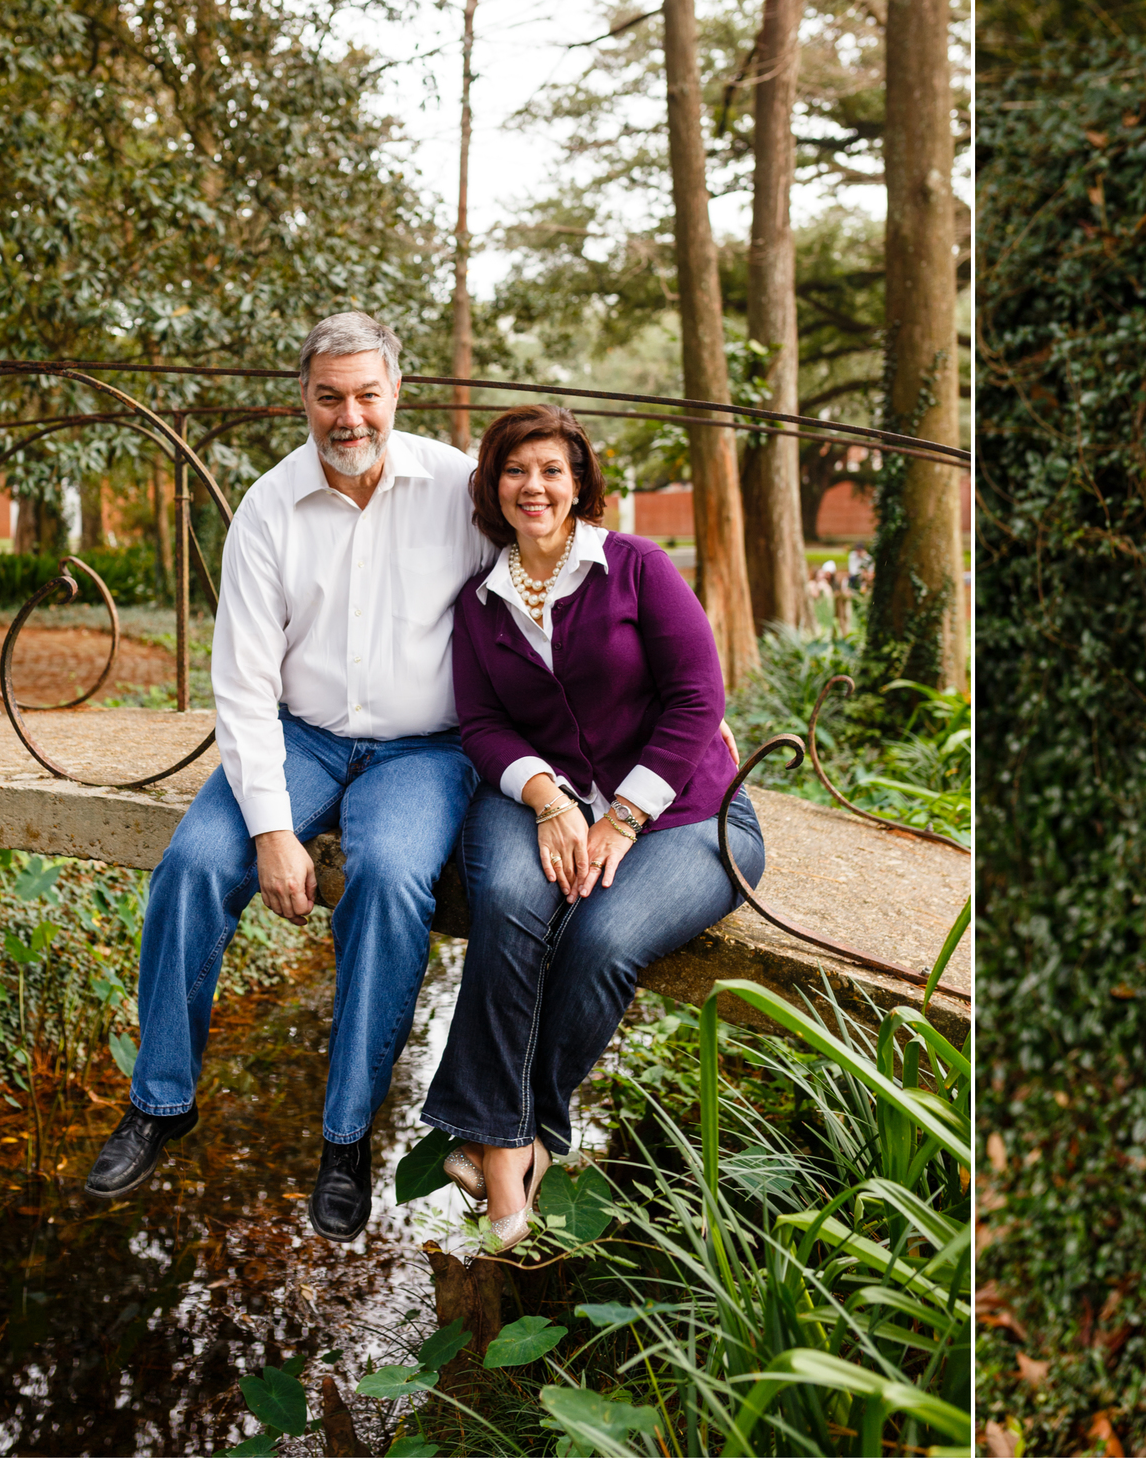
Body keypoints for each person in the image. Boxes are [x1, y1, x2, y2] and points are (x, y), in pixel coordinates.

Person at [84, 313, 489, 1241]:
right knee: (193, 865)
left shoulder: (458, 490)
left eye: (366, 394)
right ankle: (162, 1098)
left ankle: (345, 1136)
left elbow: (536, 590)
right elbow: (241, 682)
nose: (350, 416)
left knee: (388, 881)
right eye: (329, 396)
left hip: (424, 747)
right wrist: (272, 829)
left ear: (397, 391)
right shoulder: (270, 506)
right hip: (299, 735)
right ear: (302, 399)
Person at [418, 404, 766, 1247]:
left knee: (601, 939)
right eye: (515, 470)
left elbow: (698, 699)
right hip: (553, 800)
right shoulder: (481, 603)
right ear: (492, 486)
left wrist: (621, 817)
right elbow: (484, 724)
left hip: (693, 816)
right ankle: (511, 1150)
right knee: (511, 900)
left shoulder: (636, 567)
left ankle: (510, 1135)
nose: (533, 486)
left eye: (551, 470)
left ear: (579, 485)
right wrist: (546, 797)